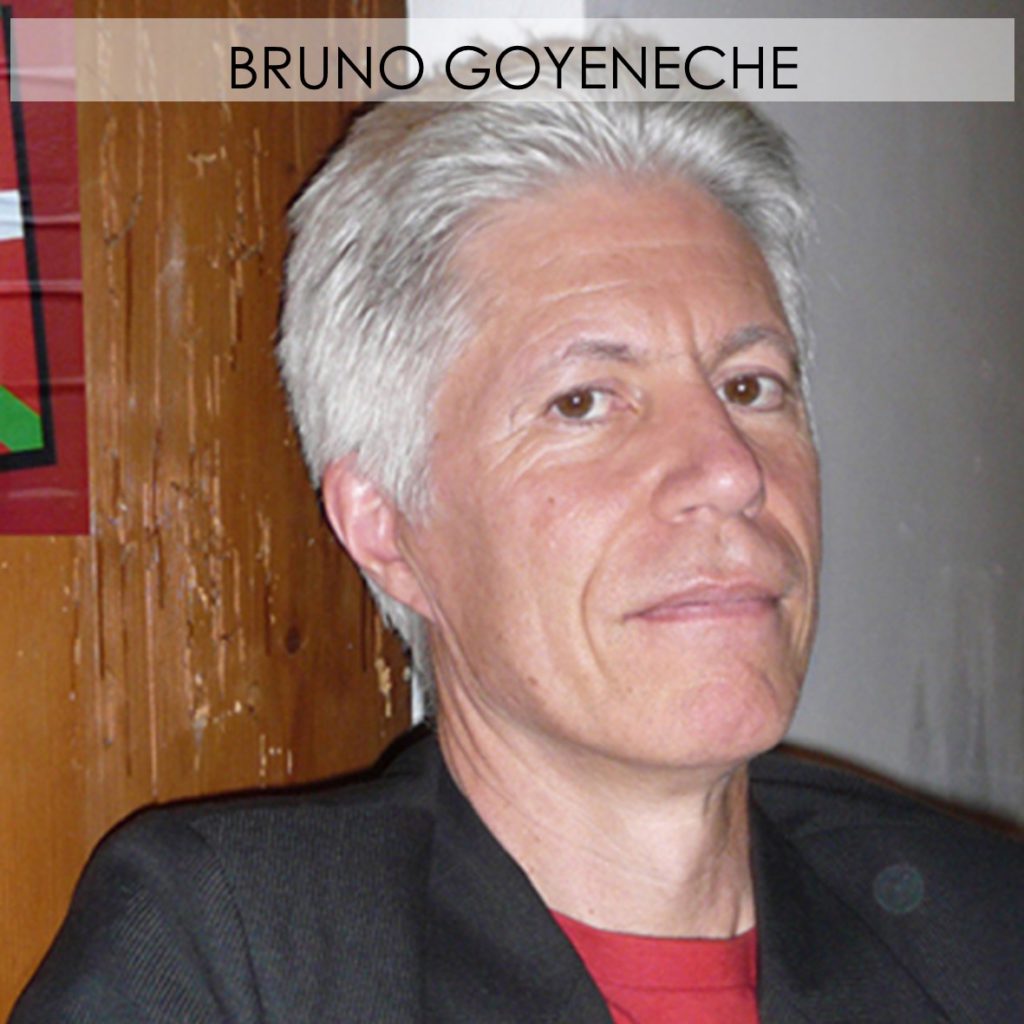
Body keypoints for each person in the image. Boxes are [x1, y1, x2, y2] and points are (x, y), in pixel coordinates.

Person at [13, 69, 1024, 1024]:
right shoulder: (235, 961)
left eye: (749, 386)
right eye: (583, 402)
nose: (729, 470)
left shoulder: (984, 931)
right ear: (387, 525)